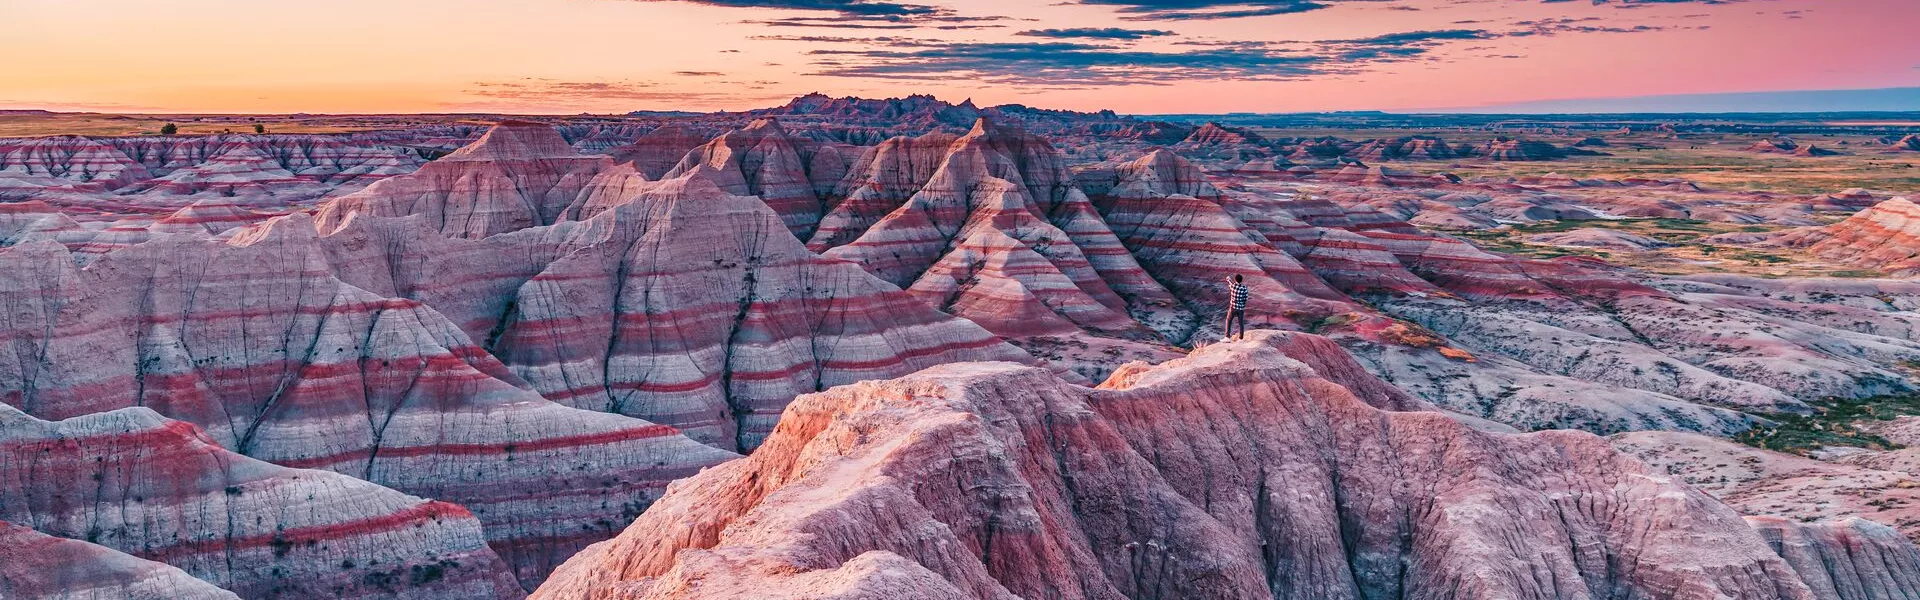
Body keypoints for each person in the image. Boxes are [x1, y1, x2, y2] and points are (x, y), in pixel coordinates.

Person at [1224, 274, 1248, 340]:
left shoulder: (1233, 286)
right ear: (1241, 280)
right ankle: (1241, 339)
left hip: (1233, 307)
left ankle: (1227, 337)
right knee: (1241, 323)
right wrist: (1242, 304)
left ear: (1235, 280)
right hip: (1241, 308)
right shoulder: (1244, 288)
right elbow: (1246, 298)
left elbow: (1229, 281)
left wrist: (1228, 278)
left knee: (1228, 321)